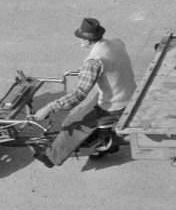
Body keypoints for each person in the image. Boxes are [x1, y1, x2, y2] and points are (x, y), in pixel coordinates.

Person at [34, 17, 137, 168]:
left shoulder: (94, 61)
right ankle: (99, 138)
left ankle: (51, 157)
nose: (80, 42)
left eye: (81, 38)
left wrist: (50, 107)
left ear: (88, 41)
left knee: (72, 122)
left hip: (115, 104)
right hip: (128, 91)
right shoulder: (116, 42)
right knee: (89, 107)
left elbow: (79, 94)